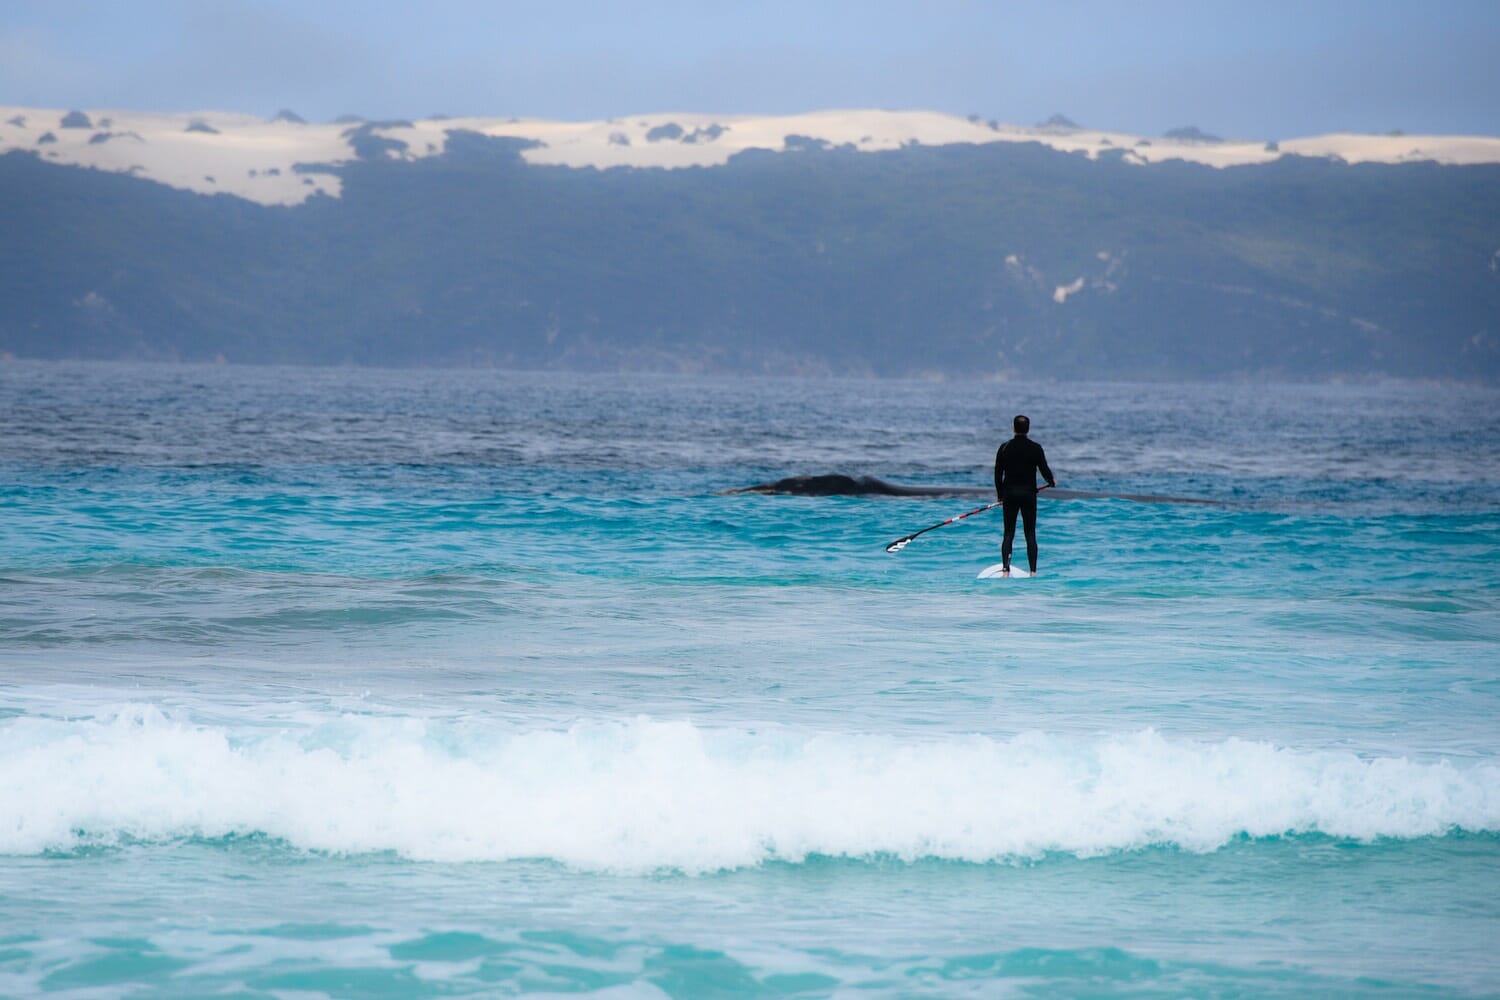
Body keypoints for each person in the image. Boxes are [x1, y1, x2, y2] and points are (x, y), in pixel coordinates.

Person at [993, 414, 1055, 576]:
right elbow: (1044, 470)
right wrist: (1051, 481)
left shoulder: (1004, 447)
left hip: (1010, 495)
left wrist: (1000, 495)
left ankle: (1005, 571)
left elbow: (998, 474)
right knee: (1030, 534)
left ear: (1013, 428)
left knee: (1008, 533)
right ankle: (1033, 572)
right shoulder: (1035, 448)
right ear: (1028, 429)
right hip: (1028, 496)